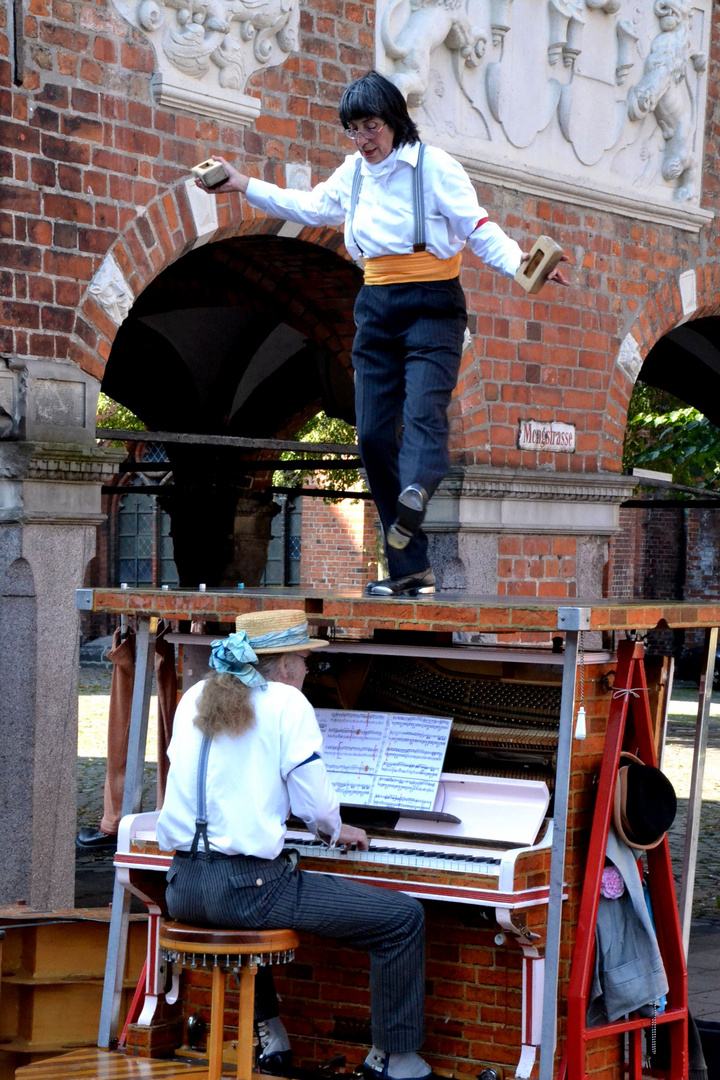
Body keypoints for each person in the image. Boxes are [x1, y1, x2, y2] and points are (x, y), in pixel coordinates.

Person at [198, 71, 569, 598]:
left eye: (371, 126)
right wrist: (242, 184)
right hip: (375, 305)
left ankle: (416, 492)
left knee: (423, 411)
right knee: (372, 433)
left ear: (394, 121)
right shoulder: (353, 174)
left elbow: (479, 230)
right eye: (353, 129)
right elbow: (308, 207)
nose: (363, 139)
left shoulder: (436, 168)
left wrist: (523, 266)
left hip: (433, 305)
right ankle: (411, 569)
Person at [156, 609, 432, 1080]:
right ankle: (395, 1059)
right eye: (306, 659)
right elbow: (318, 808)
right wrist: (334, 829)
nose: (309, 670)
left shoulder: (195, 697)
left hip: (182, 884)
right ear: (283, 665)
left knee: (246, 909)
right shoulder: (285, 702)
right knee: (403, 920)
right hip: (246, 889)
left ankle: (273, 1036)